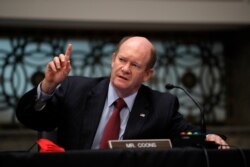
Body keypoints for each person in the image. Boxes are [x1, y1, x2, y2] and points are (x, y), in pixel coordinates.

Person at [16, 36, 229, 150]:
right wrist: (48, 86)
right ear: (112, 59)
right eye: (122, 60)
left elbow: (185, 136)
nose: (125, 69)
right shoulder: (76, 90)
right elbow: (31, 118)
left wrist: (208, 137)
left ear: (147, 74)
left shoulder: (161, 104)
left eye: (135, 65)